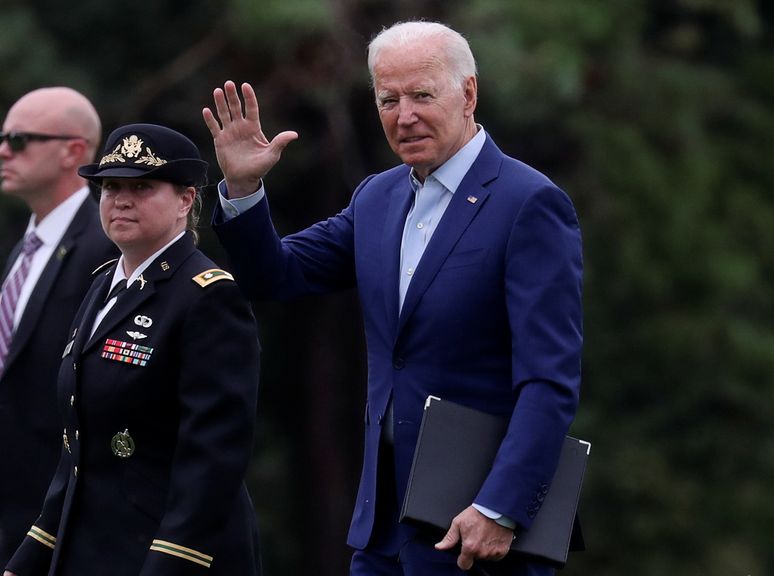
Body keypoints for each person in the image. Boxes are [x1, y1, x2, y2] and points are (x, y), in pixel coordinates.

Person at [204, 20, 583, 576]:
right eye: (388, 99)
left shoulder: (530, 203)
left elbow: (549, 380)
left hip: (478, 532)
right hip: (383, 528)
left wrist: (500, 508)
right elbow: (278, 275)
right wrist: (243, 190)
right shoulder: (378, 197)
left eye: (422, 95)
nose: (404, 116)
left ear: (469, 93)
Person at [3, 124, 262, 576]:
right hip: (91, 549)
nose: (121, 200)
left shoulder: (207, 295)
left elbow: (212, 459)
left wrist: (168, 564)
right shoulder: (104, 285)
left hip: (168, 553)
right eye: (110, 187)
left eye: (142, 187)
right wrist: (27, 560)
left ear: (185, 200)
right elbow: (78, 451)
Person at [0, 87, 118, 566]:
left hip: (69, 514)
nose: (4, 149)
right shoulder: (23, 248)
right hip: (14, 507)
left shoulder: (106, 245)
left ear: (74, 150)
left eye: (20, 138)